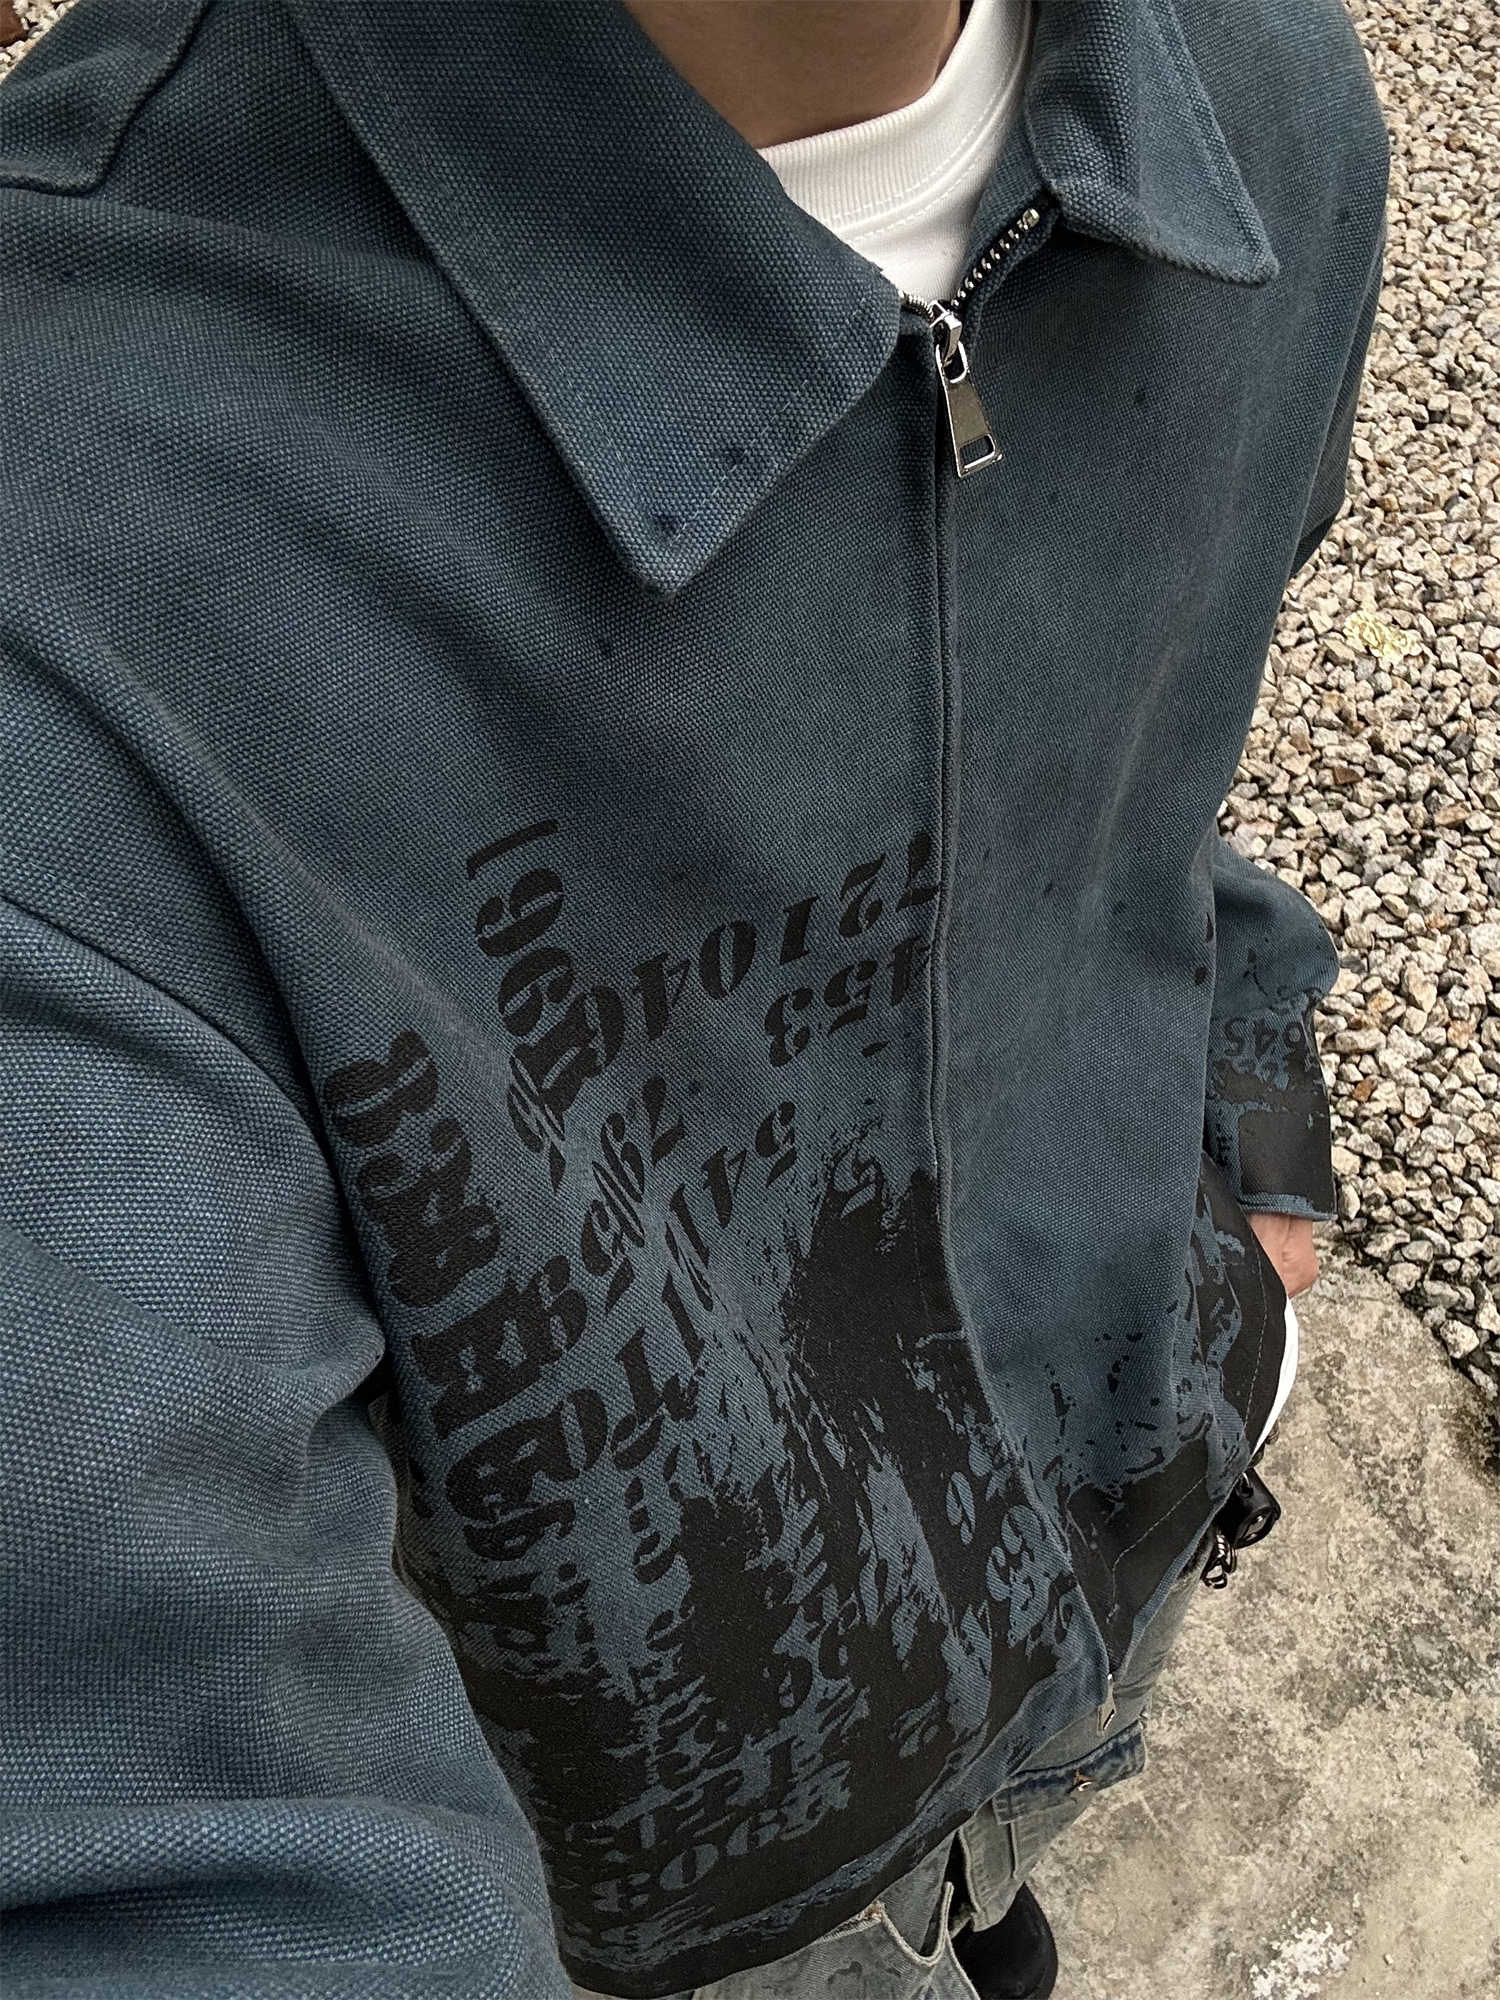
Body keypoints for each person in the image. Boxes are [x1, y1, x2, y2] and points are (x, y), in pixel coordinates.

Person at [0, 0, 1386, 1994]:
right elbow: (136, 1814)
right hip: (685, 1890)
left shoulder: (1267, 104)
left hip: (1126, 1543)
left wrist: (1255, 1103)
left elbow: (1160, 730)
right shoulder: (73, 564)